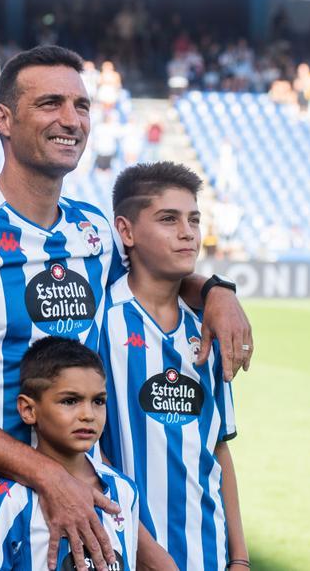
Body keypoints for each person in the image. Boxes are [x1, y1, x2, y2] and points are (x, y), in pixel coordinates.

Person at [0, 45, 253, 571]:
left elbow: (156, 276)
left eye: (81, 106)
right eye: (49, 104)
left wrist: (217, 292)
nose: (71, 120)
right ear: (3, 119)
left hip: (80, 509)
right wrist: (49, 477)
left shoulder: (91, 231)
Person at [98, 162, 247, 570]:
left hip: (209, 554)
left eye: (194, 220)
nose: (187, 232)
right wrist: (146, 552)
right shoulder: (98, 322)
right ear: (126, 232)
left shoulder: (209, 329)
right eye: (169, 219)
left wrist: (240, 558)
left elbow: (219, 447)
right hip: (125, 554)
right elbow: (88, 454)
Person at [0, 337, 140, 570]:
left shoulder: (125, 490)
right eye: (70, 401)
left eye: (98, 401)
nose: (88, 414)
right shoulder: (11, 498)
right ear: (28, 410)